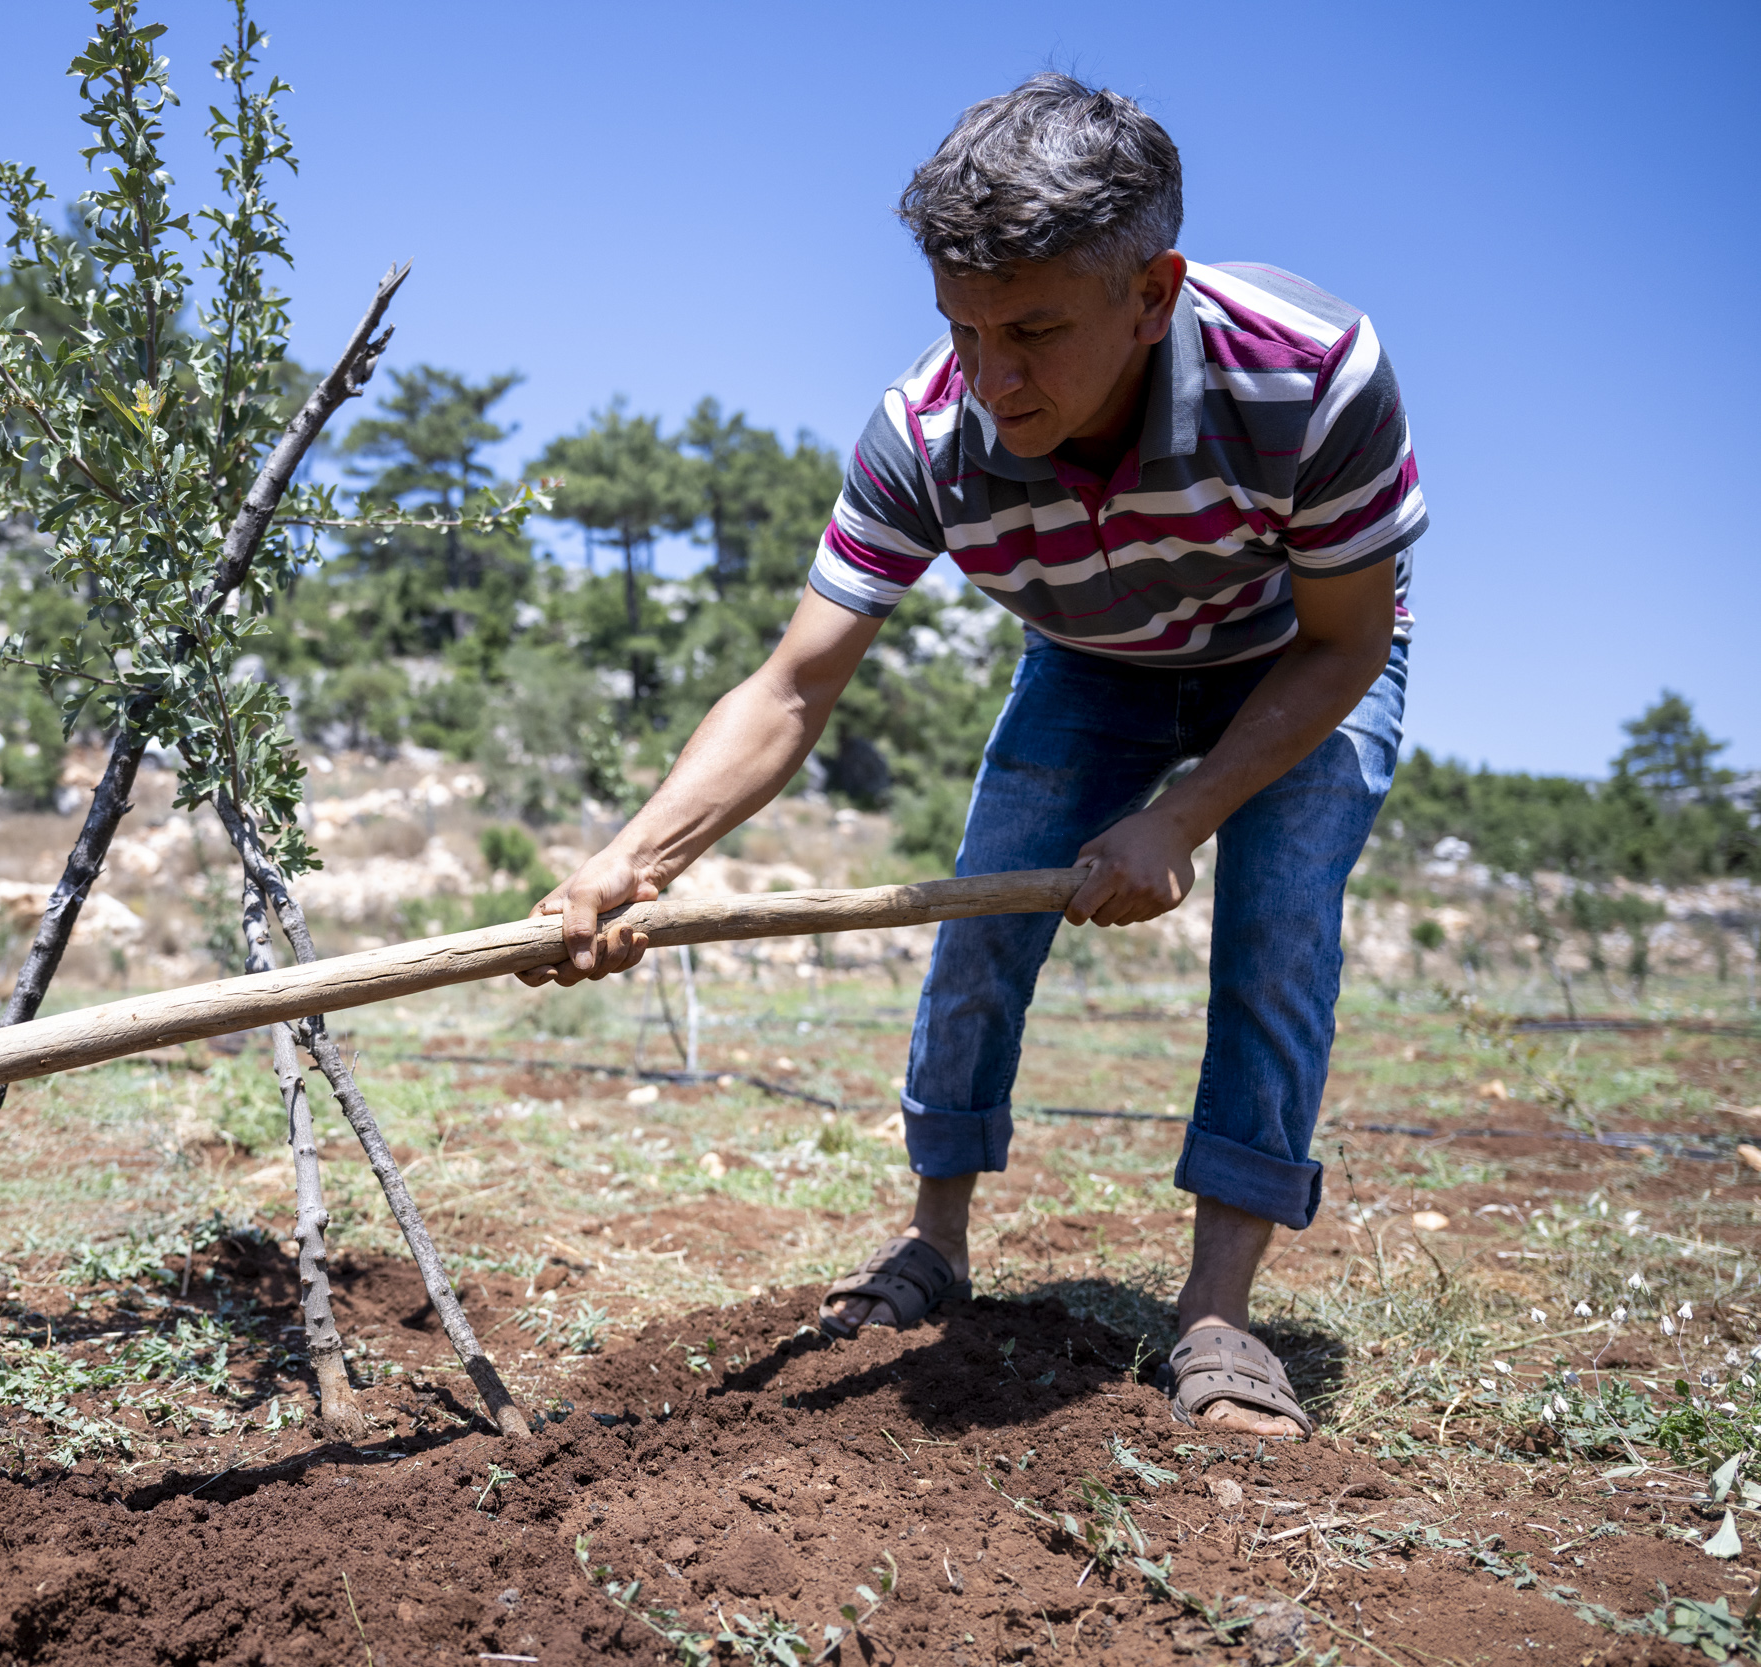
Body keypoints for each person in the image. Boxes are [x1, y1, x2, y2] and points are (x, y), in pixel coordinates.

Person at [520, 73, 1422, 1439]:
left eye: (1037, 332)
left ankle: (1219, 1317)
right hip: (1095, 661)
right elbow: (793, 686)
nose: (994, 381)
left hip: (1296, 654)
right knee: (980, 925)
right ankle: (935, 1244)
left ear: (1153, 292)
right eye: (964, 327)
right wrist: (628, 864)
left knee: (1278, 933)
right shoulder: (932, 433)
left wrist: (1184, 815)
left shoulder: (1311, 379)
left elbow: (1347, 647)